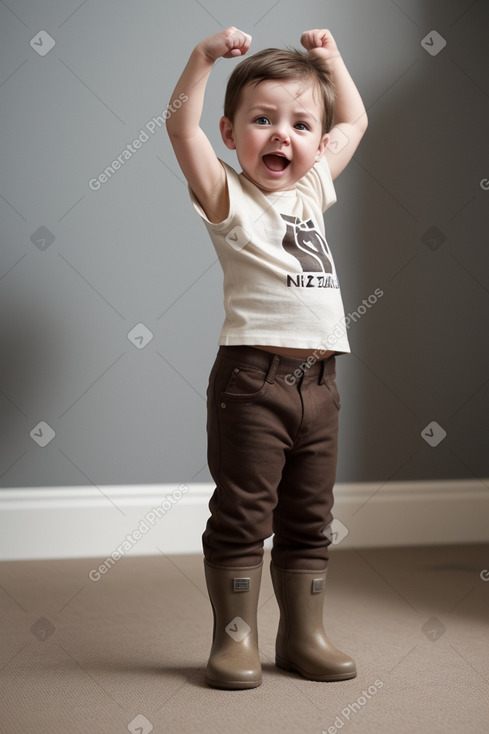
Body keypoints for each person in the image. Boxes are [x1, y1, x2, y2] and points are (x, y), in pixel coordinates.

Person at [166, 26, 368, 690]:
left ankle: (302, 635)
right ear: (230, 133)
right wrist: (201, 58)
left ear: (315, 141)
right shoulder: (229, 198)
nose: (282, 134)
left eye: (300, 123)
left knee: (310, 514)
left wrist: (329, 62)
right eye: (262, 120)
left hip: (322, 383)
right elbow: (178, 127)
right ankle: (235, 638)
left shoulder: (310, 189)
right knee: (243, 510)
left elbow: (356, 118)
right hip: (253, 384)